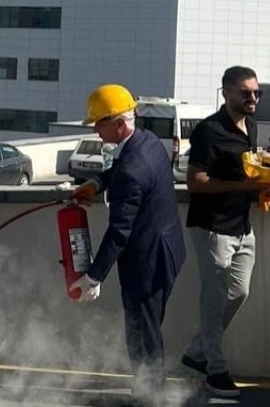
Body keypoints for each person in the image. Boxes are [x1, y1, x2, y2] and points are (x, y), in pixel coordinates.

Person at [69, 84, 186, 399]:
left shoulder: (132, 170)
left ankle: (151, 396)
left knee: (143, 332)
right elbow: (119, 170)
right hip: (167, 249)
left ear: (119, 124)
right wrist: (95, 183)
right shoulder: (146, 142)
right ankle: (148, 389)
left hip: (147, 260)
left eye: (100, 123)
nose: (95, 129)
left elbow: (120, 230)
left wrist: (94, 276)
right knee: (148, 326)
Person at [178, 66, 270, 397]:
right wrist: (245, 185)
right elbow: (195, 182)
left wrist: (263, 186)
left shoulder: (250, 127)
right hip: (212, 228)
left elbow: (246, 174)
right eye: (245, 92)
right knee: (213, 301)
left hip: (241, 224)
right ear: (225, 93)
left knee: (238, 292)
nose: (253, 98)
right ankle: (216, 370)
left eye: (256, 92)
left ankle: (197, 353)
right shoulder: (209, 131)